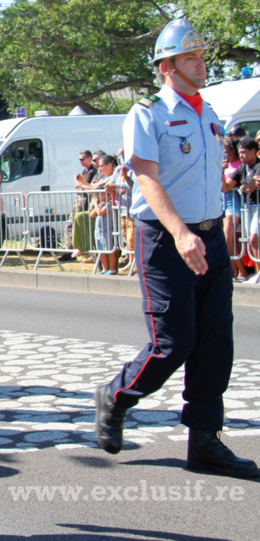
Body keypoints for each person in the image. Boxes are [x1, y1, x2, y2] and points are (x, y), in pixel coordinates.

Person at [95, 18, 258, 479]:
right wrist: (182, 233)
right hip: (166, 238)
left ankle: (204, 439)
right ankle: (116, 394)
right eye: (191, 57)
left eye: (203, 56)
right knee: (173, 343)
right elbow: (146, 177)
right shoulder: (146, 113)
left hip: (206, 236)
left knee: (215, 344)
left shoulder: (207, 112)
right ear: (166, 66)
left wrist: (208, 232)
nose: (201, 64)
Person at [220, 136, 247, 280]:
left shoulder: (239, 164)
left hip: (234, 200)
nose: (224, 151)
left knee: (228, 237)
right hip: (220, 200)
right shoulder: (223, 163)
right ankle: (234, 272)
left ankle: (241, 271)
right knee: (226, 239)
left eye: (227, 149)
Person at [235, 138, 260, 261]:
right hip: (246, 207)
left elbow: (250, 188)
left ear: (253, 151)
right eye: (239, 152)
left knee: (254, 238)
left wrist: (243, 187)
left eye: (244, 152)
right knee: (251, 241)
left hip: (257, 206)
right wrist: (222, 172)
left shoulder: (259, 166)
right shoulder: (241, 167)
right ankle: (258, 272)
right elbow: (225, 187)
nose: (241, 155)